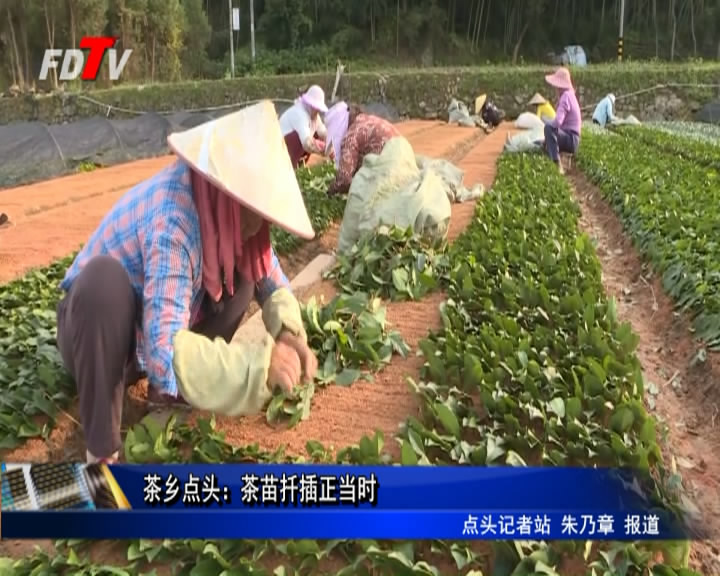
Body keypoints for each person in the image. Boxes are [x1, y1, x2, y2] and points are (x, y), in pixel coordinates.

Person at [56, 101, 319, 464]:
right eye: (254, 211)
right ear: (228, 193)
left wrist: (289, 333)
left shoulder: (228, 218)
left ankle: (172, 394)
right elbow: (164, 346)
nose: (259, 224)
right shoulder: (174, 218)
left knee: (246, 276)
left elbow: (270, 279)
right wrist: (258, 370)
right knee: (104, 284)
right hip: (97, 337)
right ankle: (102, 455)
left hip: (147, 336)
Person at [324, 102, 401, 196]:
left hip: (390, 170)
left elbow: (344, 179)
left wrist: (330, 191)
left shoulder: (351, 136)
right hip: (404, 158)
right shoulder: (365, 120)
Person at [279, 85, 330, 169]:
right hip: (282, 149)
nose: (317, 110)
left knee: (316, 136)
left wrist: (331, 144)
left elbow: (322, 131)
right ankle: (292, 167)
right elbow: (306, 143)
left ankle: (300, 165)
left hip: (296, 148)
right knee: (302, 138)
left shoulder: (314, 116)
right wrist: (321, 151)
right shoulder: (299, 113)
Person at [543, 67, 581, 174]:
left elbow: (557, 122)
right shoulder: (570, 95)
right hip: (573, 139)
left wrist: (547, 123)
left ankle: (556, 163)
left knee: (548, 128)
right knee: (546, 139)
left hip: (571, 139)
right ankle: (554, 157)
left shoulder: (565, 96)